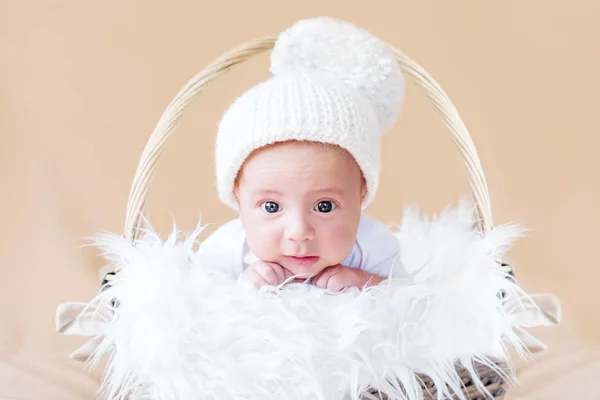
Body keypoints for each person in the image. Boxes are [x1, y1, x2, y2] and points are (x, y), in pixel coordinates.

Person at [198, 16, 408, 292]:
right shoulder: (227, 250)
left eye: (325, 206)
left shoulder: (373, 246)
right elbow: (196, 304)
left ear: (361, 194)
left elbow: (408, 297)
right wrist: (243, 288)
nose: (298, 232)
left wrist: (363, 282)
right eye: (271, 207)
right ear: (238, 197)